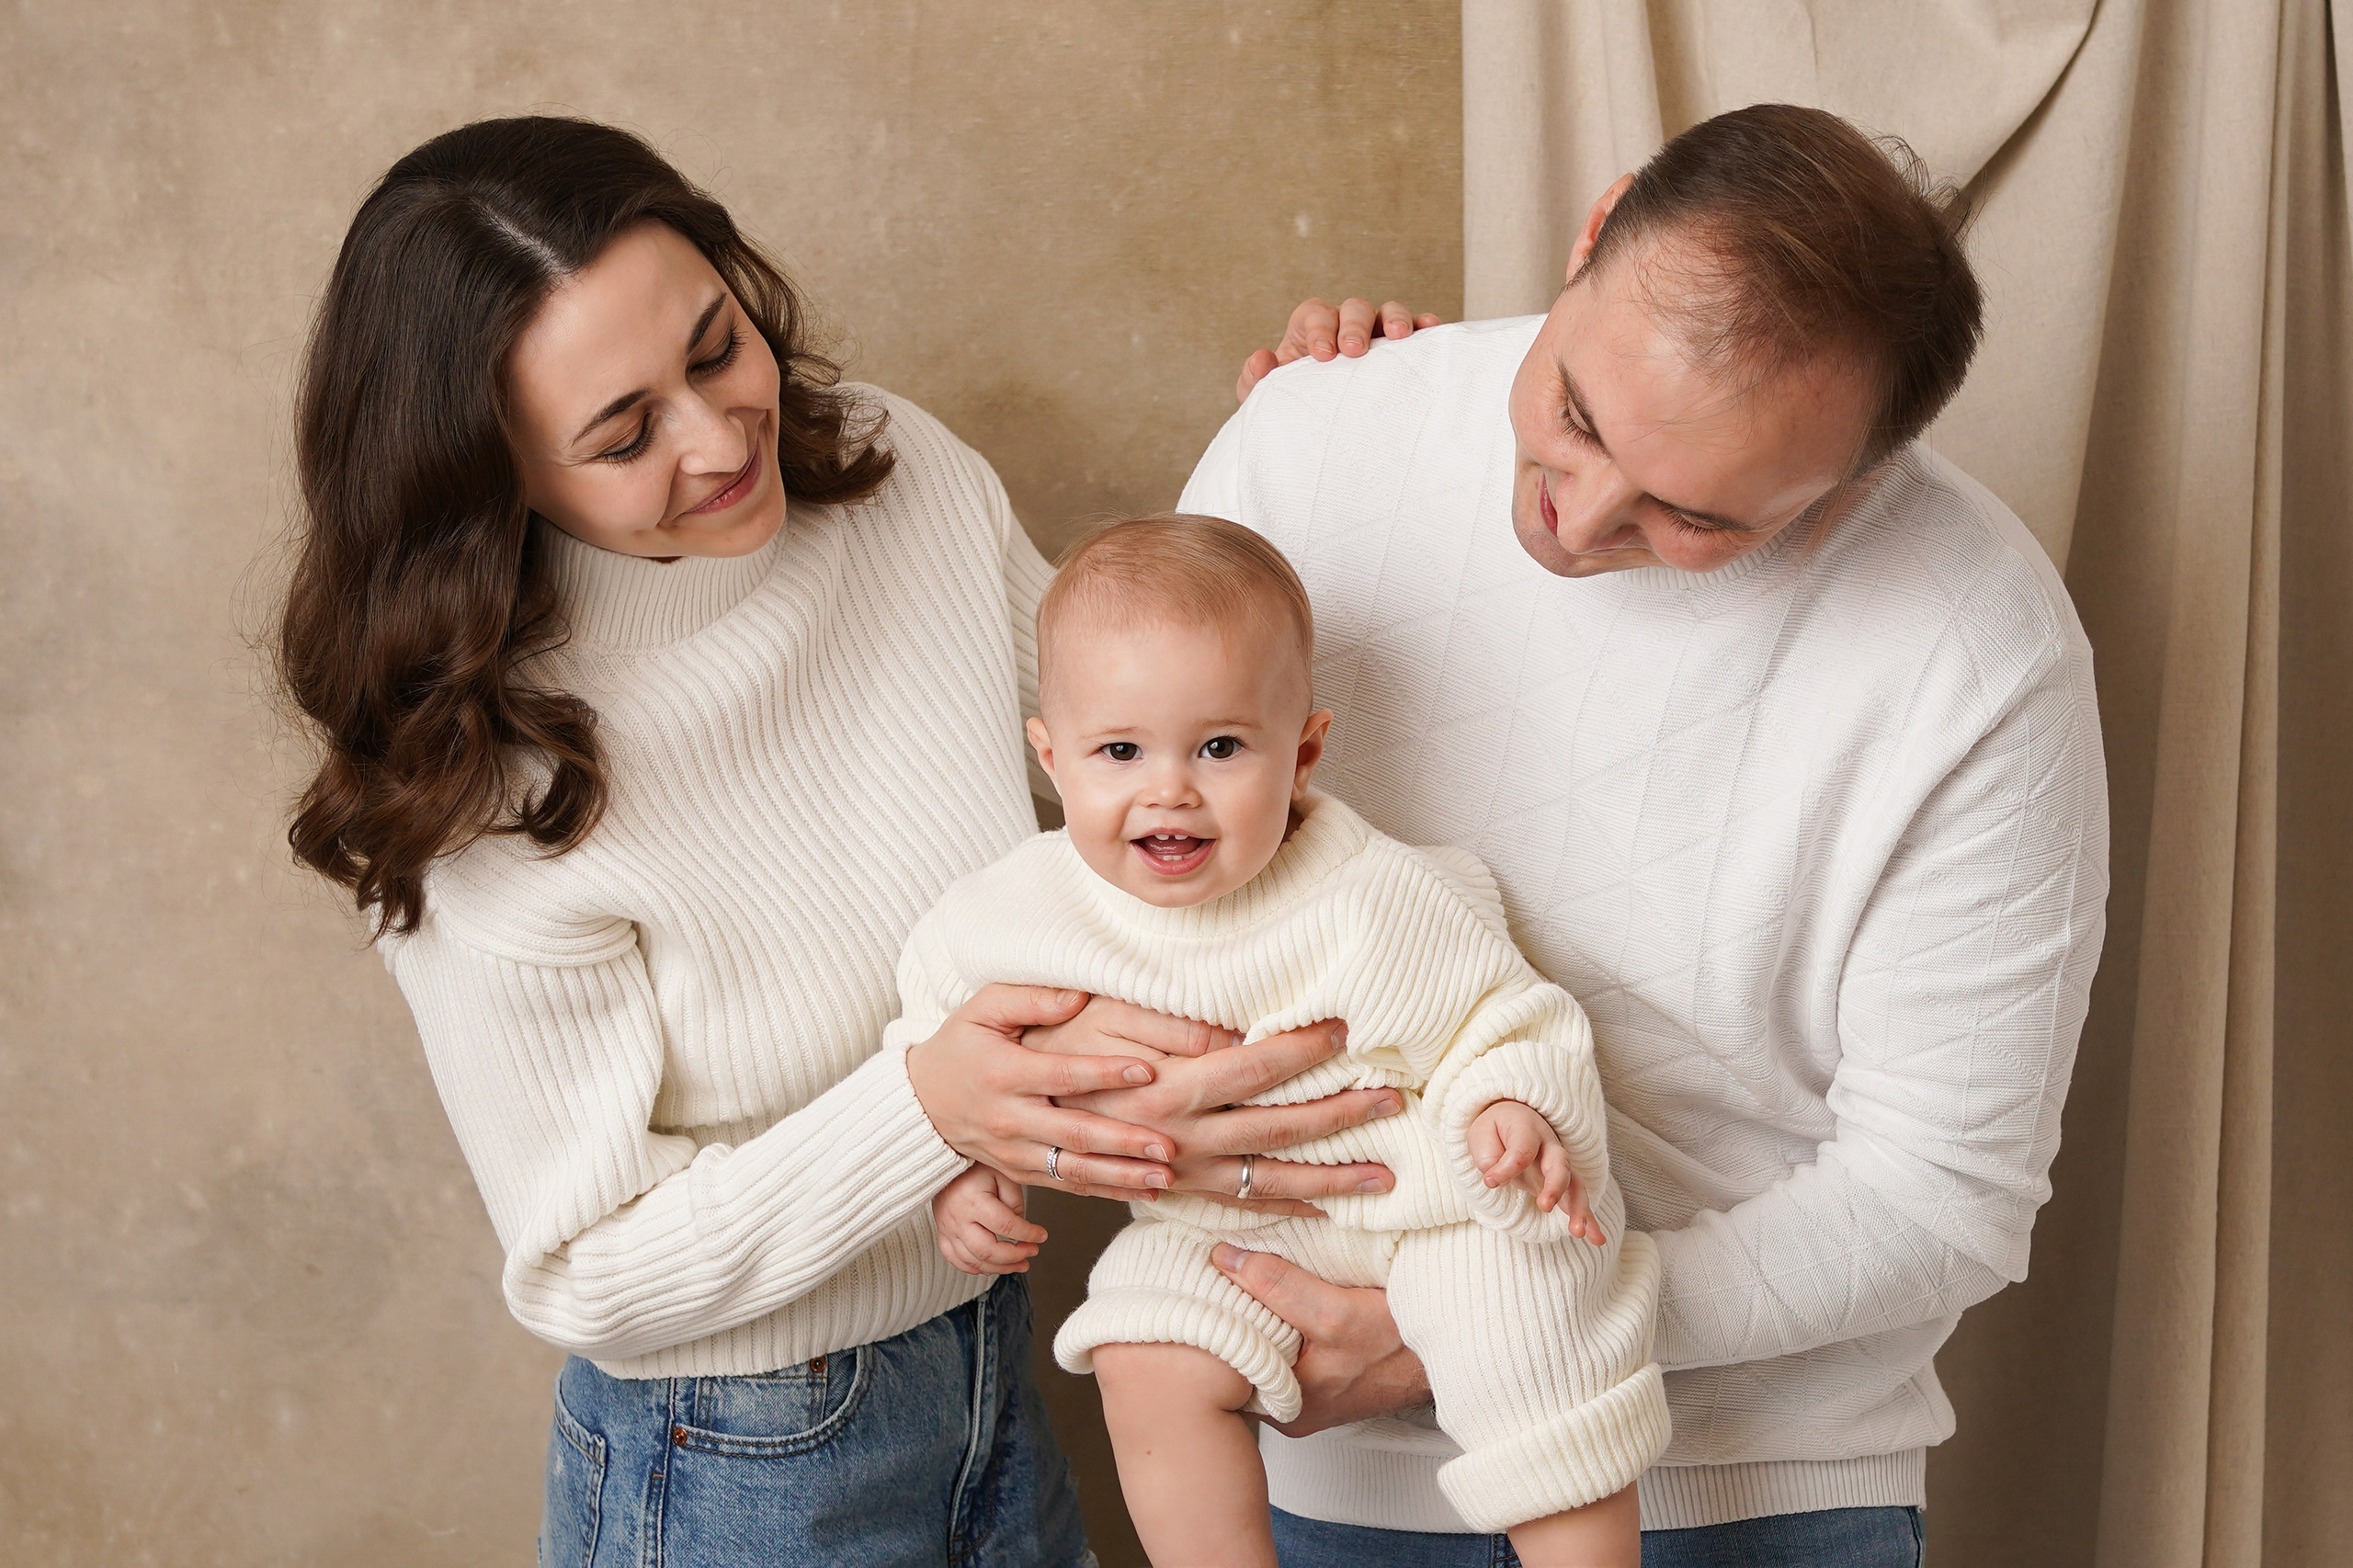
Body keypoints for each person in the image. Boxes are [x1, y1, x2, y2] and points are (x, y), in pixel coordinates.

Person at [273, 115, 1432, 1567]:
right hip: (733, 1460)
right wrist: (926, 1111)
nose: (717, 437)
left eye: (715, 346)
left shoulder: (896, 475)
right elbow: (584, 1267)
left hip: (998, 1358)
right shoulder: (482, 771)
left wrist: (1353, 431)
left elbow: (1146, 752)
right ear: (488, 473)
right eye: (624, 434)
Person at [1081, 103, 2110, 1566]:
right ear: (1596, 227)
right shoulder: (1318, 437)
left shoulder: (1978, 650)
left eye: (1694, 516)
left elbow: (1946, 1194)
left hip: (1756, 1485)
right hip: (1324, 1462)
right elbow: (1150, 885)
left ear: (1861, 478)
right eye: (1574, 410)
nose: (1575, 518)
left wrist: (1490, 1326)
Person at [921, 515, 1664, 1567]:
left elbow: (1503, 1015)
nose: (1168, 787)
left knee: (1530, 1322)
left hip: (1422, 1211)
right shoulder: (1017, 913)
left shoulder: (1368, 895)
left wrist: (1513, 1107)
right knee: (1139, 1340)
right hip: (1218, 1227)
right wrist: (964, 1163)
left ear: (1304, 750)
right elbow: (944, 1037)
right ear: (1051, 753)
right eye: (1119, 750)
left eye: (1219, 746)